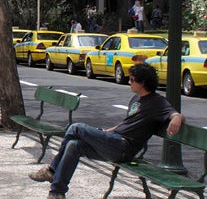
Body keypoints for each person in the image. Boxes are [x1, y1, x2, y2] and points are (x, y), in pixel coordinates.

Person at [29, 63, 184, 199]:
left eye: (131, 80)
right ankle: (57, 192)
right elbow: (125, 124)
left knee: (75, 128)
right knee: (74, 145)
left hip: (124, 147)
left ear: (142, 82)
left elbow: (174, 114)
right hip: (114, 140)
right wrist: (105, 132)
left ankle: (51, 170)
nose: (129, 82)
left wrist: (177, 118)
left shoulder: (158, 102)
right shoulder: (136, 99)